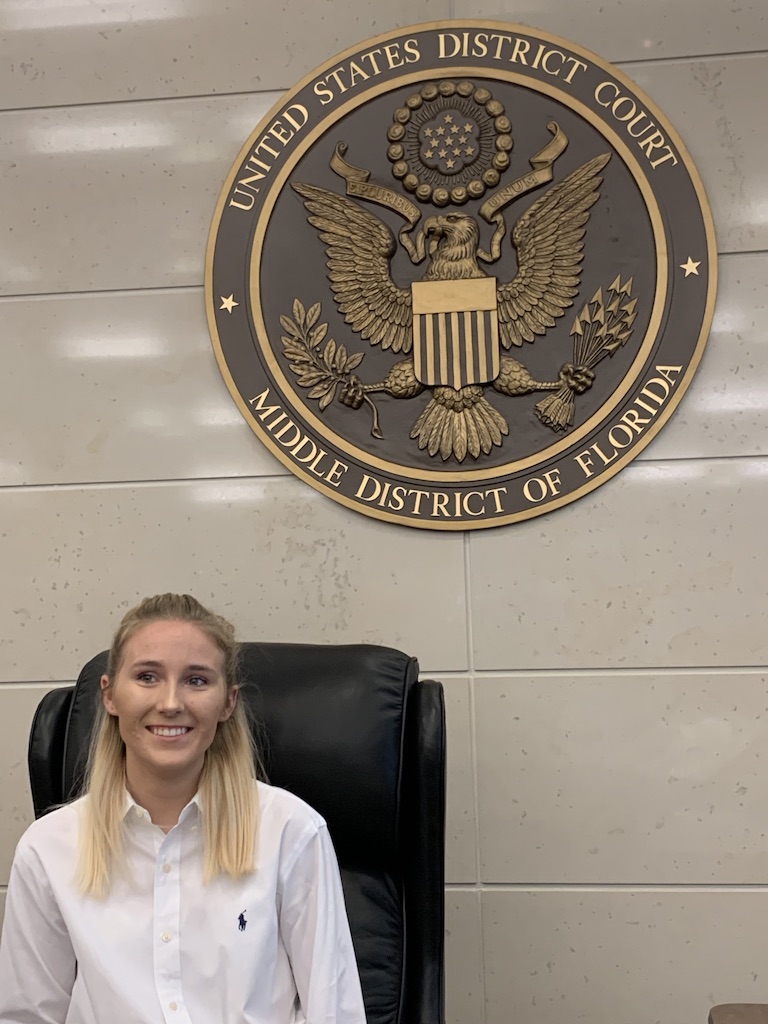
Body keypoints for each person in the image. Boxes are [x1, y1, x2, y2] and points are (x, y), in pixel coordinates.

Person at [0, 593, 367, 1024]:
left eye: (196, 681)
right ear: (110, 696)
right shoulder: (50, 848)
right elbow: (29, 1016)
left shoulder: (290, 831)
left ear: (227, 702)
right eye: (147, 677)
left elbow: (334, 1013)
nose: (171, 702)